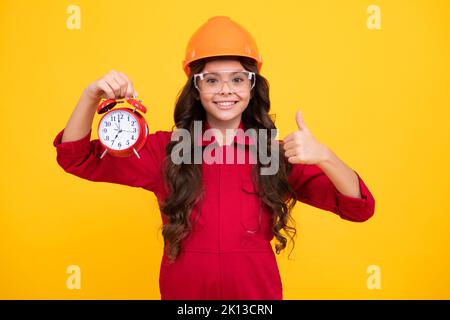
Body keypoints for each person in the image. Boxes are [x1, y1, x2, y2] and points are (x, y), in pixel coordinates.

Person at [53, 16, 375, 300]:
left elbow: (358, 207)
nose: (225, 90)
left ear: (251, 87)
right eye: (212, 79)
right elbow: (76, 157)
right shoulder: (166, 150)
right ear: (196, 88)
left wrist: (325, 157)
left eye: (237, 79)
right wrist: (90, 96)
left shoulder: (275, 154)